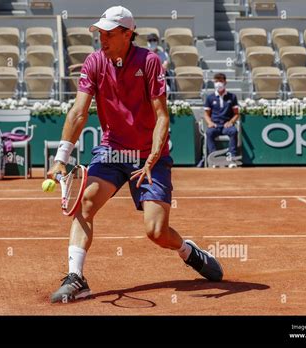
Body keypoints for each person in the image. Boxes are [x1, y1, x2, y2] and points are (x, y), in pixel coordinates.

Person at [47, 5, 223, 303]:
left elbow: (162, 116)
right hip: (112, 150)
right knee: (85, 204)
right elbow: (78, 112)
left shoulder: (150, 62)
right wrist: (60, 158)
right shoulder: (93, 63)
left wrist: (153, 156)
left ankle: (188, 251)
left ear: (128, 34)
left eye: (109, 33)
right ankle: (76, 277)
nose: (102, 39)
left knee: (156, 232)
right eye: (100, 33)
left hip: (148, 156)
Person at [204, 73, 240, 159]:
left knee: (233, 131)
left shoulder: (232, 97)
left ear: (225, 82)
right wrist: (209, 122)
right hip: (215, 125)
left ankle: (232, 157)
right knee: (209, 132)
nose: (218, 83)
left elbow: (236, 114)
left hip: (226, 125)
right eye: (216, 81)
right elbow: (206, 114)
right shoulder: (210, 97)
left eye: (220, 81)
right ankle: (213, 158)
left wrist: (231, 122)